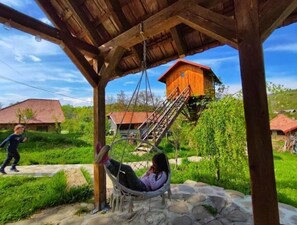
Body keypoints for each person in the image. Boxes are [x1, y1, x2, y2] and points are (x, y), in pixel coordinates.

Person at [95, 145, 169, 191]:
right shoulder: (155, 171)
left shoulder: (163, 174)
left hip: (142, 188)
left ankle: (108, 159)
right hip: (138, 184)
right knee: (121, 175)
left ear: (160, 164)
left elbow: (154, 187)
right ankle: (106, 162)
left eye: (155, 164)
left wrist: (151, 174)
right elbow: (142, 179)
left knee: (128, 169)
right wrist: (147, 173)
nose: (153, 165)